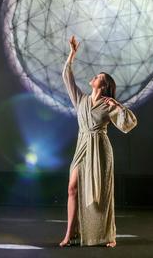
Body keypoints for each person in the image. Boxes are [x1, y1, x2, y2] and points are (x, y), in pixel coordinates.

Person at [59, 35, 138, 247]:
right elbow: (67, 77)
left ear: (102, 86)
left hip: (100, 149)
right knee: (72, 188)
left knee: (100, 193)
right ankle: (70, 233)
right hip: (82, 145)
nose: (94, 77)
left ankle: (107, 236)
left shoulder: (108, 104)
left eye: (98, 77)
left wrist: (119, 106)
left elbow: (128, 123)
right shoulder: (81, 100)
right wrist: (72, 54)